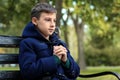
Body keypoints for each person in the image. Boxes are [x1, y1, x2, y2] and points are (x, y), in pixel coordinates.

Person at [18, 3, 80, 80]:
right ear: (35, 21)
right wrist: (54, 60)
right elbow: (27, 72)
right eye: (48, 20)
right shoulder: (28, 43)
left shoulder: (59, 43)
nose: (52, 25)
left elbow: (76, 73)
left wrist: (66, 61)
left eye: (54, 21)